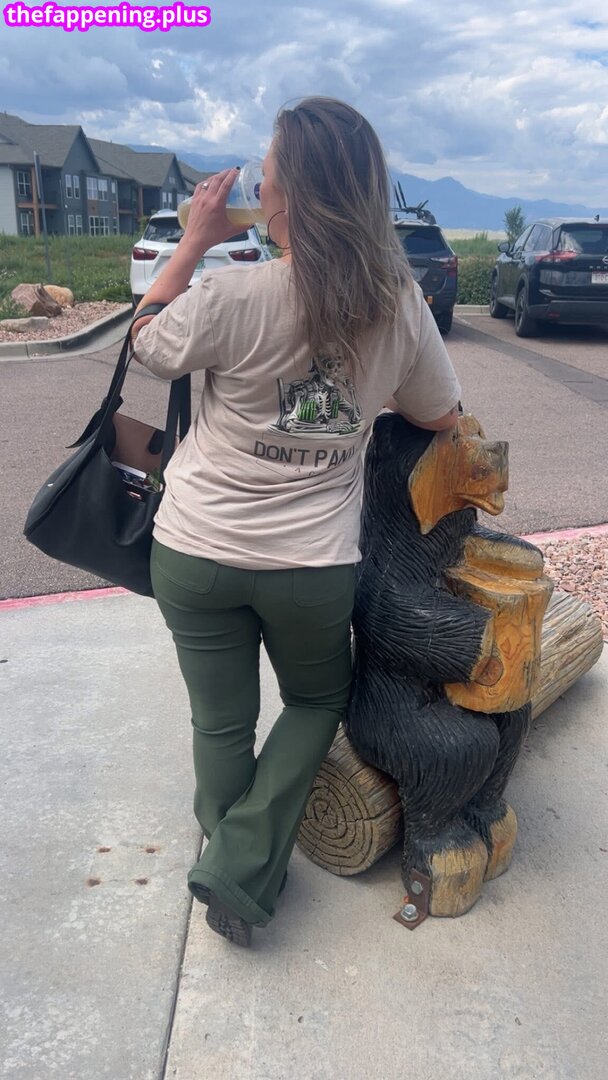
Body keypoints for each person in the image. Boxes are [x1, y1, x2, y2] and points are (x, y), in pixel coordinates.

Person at [130, 97, 461, 948]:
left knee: (220, 720)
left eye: (267, 172)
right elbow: (440, 413)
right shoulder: (399, 302)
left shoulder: (230, 292)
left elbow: (147, 343)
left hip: (196, 547)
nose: (259, 183)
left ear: (286, 195)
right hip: (311, 565)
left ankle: (236, 862)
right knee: (317, 699)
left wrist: (193, 242)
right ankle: (241, 865)